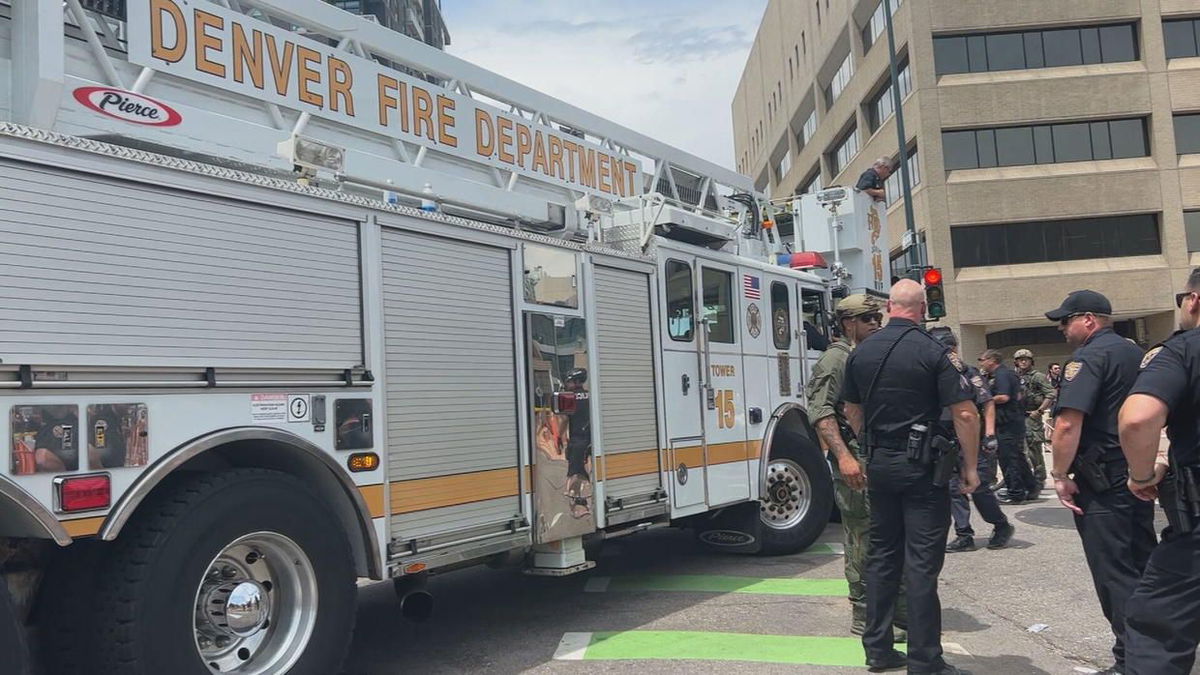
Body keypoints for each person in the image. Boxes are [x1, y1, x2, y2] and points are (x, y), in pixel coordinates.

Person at [842, 279, 980, 675]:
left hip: (880, 464)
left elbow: (852, 410)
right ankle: (924, 659)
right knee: (921, 563)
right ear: (921, 308)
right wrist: (970, 468)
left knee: (883, 557)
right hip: (922, 468)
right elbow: (966, 414)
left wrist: (868, 450)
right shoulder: (934, 351)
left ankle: (878, 650)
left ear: (889, 308)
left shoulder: (862, 352)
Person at [1045, 289, 1155, 675]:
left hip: (1103, 482)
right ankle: (1154, 650)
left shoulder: (1089, 358)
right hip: (1136, 475)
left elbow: (1068, 423)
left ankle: (1132, 660)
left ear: (1089, 319)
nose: (1062, 328)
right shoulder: (1132, 352)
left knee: (1115, 574)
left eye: (1066, 320)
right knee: (1142, 565)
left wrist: (1059, 475)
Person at [806, 294, 907, 640]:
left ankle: (897, 612)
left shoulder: (865, 355)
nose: (875, 323)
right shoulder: (835, 360)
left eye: (877, 318)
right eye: (867, 319)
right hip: (854, 463)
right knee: (862, 538)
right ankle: (865, 615)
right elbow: (821, 413)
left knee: (888, 535)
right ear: (848, 323)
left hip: (876, 460)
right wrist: (845, 457)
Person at [1118, 268, 1200, 674]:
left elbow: (1137, 419)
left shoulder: (1184, 349)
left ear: (1194, 299)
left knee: (1157, 626)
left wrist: (1143, 474)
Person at [933, 330, 1014, 553]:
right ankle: (964, 534)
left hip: (971, 438)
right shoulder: (933, 373)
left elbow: (987, 402)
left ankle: (1000, 524)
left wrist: (989, 435)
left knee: (979, 488)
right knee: (953, 488)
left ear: (953, 349)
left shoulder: (968, 372)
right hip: (945, 439)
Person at [978, 350, 1039, 504]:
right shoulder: (1009, 374)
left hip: (1006, 423)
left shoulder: (1001, 375)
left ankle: (1015, 493)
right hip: (1014, 421)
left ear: (992, 360)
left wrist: (984, 400)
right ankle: (1031, 488)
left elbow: (1004, 396)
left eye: (982, 359)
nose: (981, 363)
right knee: (1017, 457)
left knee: (1008, 459)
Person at [1015, 349, 1056, 486]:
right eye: (1020, 359)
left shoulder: (1037, 376)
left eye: (1026, 359)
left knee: (1034, 448)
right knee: (1019, 449)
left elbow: (1051, 393)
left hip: (1032, 416)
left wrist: (1040, 410)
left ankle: (1039, 478)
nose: (1023, 361)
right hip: (1017, 416)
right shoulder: (1015, 377)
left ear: (1031, 361)